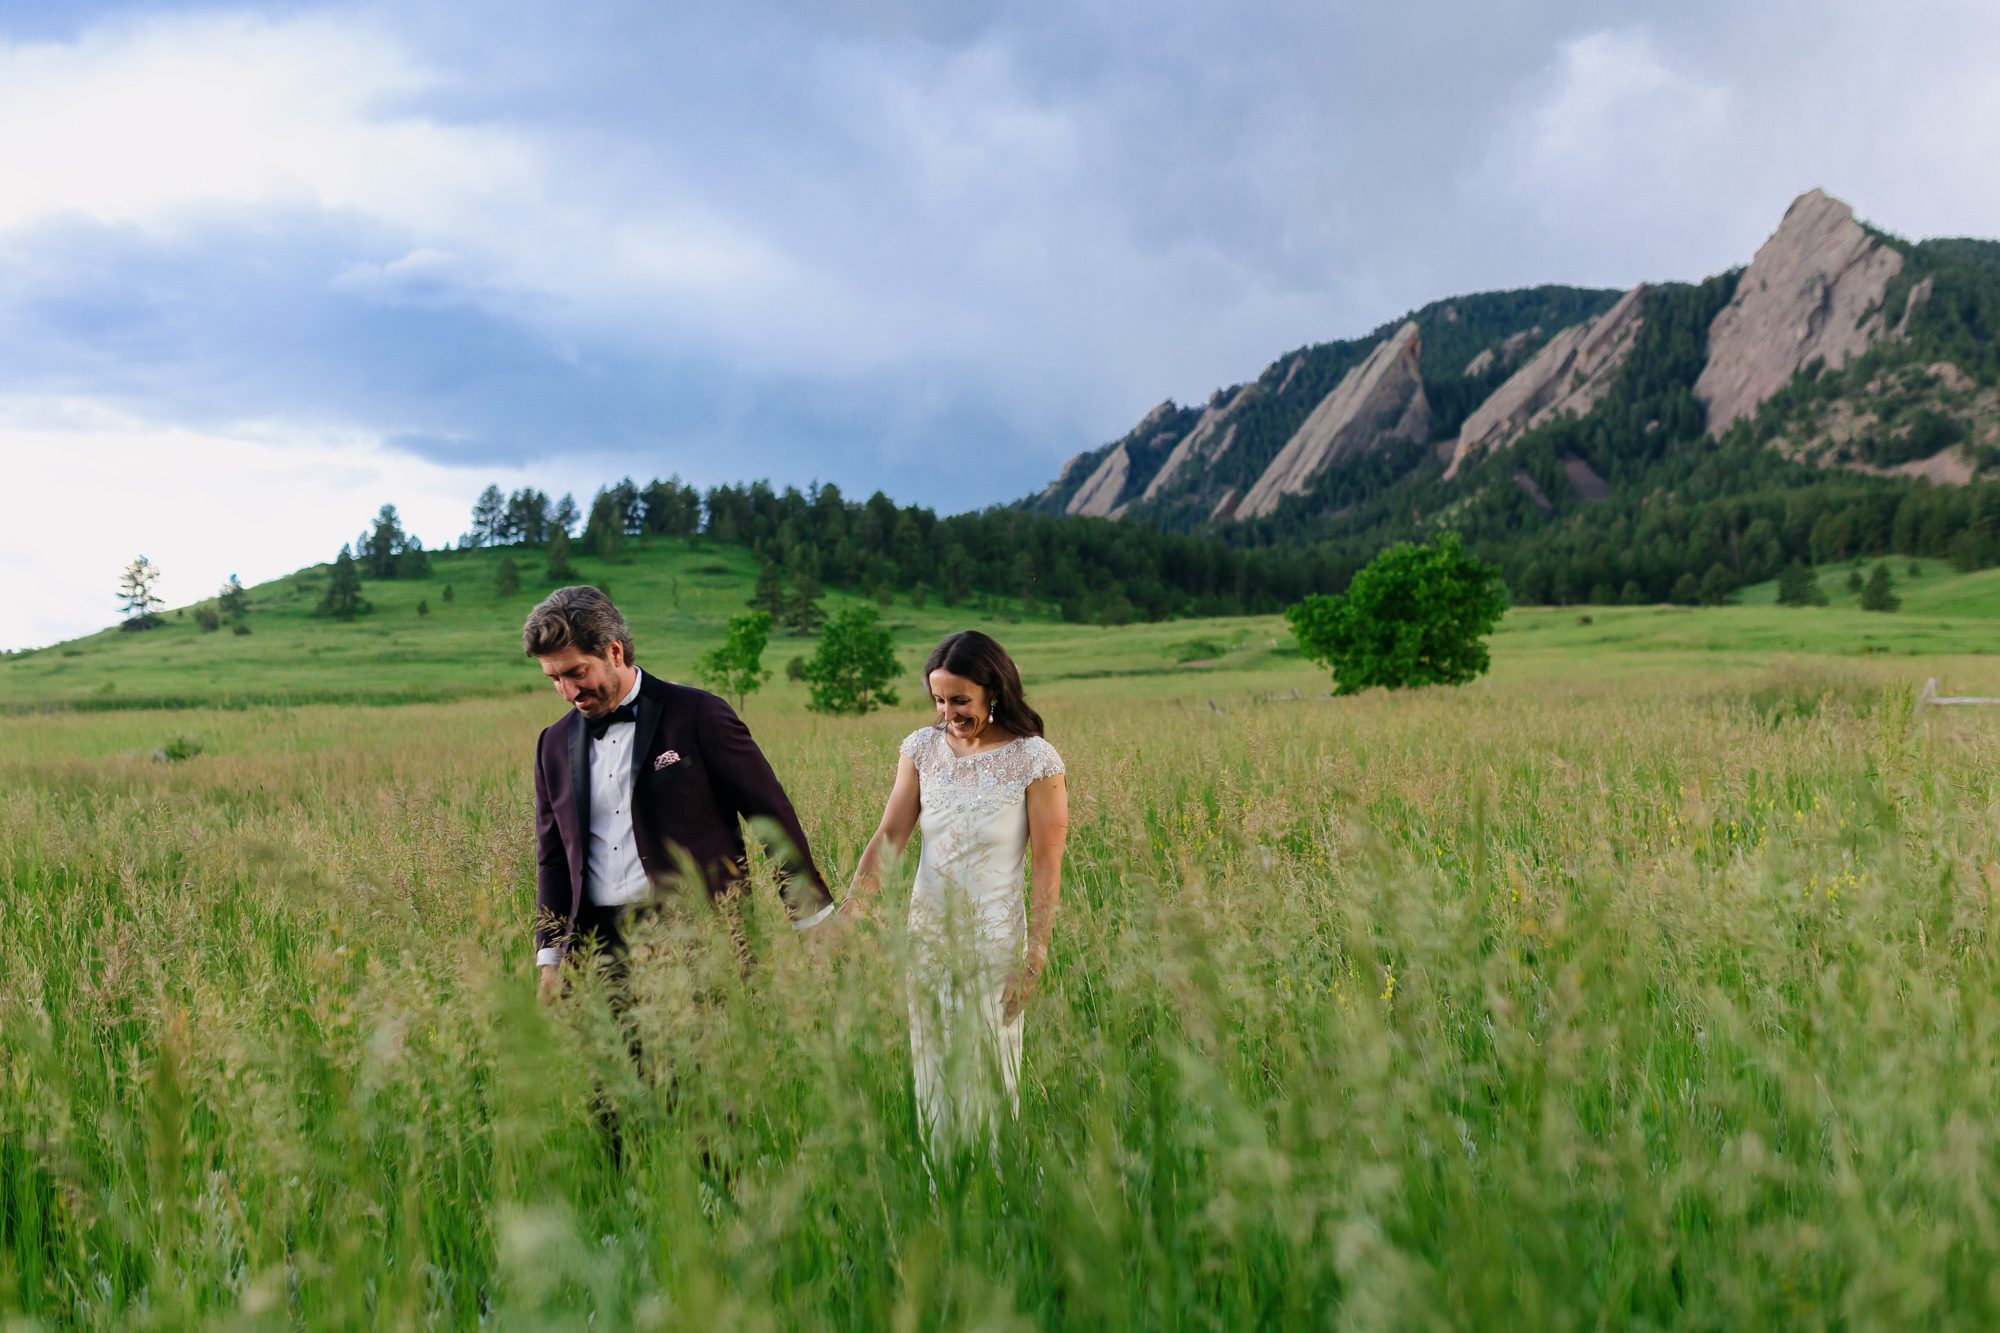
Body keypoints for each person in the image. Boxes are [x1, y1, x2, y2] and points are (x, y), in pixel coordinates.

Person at [523, 586, 837, 1004]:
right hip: (597, 952)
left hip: (701, 937)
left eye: (577, 673)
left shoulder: (699, 714)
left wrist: (810, 917)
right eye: (555, 678)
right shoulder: (552, 745)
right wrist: (550, 958)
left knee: (705, 1068)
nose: (567, 691)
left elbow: (769, 815)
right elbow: (554, 858)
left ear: (614, 652)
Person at [848, 630, 1069, 1160]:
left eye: (960, 700)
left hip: (995, 942)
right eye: (939, 700)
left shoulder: (1034, 760)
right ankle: (940, 1189)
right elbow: (891, 836)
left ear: (993, 690)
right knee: (933, 1068)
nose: (948, 712)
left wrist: (1035, 954)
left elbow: (1046, 867)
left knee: (988, 1071)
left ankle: (998, 1194)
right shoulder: (921, 749)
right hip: (926, 936)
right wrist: (856, 905)